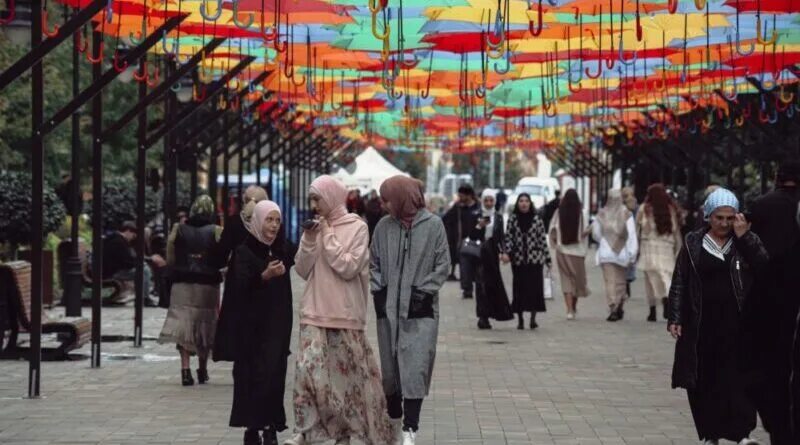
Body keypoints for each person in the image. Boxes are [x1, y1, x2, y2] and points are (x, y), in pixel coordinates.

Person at [286, 175, 393, 445]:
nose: (313, 205)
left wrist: (327, 235)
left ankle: (349, 431)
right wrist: (310, 239)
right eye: (311, 199)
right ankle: (308, 430)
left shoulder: (357, 227)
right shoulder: (317, 227)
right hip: (313, 309)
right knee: (308, 373)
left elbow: (348, 266)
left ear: (332, 197)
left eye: (317, 199)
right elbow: (301, 269)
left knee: (347, 381)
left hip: (344, 315)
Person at [668, 187, 768, 445]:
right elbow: (680, 280)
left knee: (737, 378)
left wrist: (745, 237)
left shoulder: (745, 240)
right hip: (701, 324)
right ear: (708, 216)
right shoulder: (693, 242)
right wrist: (676, 317)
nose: (724, 223)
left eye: (729, 217)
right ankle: (710, 432)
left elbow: (764, 268)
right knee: (703, 379)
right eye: (718, 217)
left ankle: (741, 434)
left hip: (738, 323)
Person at [370, 175, 450, 445]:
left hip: (421, 309)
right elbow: (374, 263)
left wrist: (422, 291)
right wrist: (379, 290)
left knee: (415, 367)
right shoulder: (383, 227)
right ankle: (394, 416)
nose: (383, 205)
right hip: (389, 309)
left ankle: (410, 429)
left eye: (387, 199)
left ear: (402, 197)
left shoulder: (434, 226)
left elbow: (443, 265)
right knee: (390, 368)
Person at [214, 200, 294, 445]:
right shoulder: (244, 251)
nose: (273, 225)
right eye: (269, 220)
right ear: (258, 221)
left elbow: (304, 259)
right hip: (250, 329)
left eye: (277, 220)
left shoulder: (282, 249)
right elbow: (238, 289)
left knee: (274, 375)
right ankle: (252, 427)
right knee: (252, 376)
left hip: (277, 326)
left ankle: (270, 426)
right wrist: (264, 276)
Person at [747, 161, 800, 445]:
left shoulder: (762, 205)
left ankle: (778, 427)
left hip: (766, 298)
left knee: (767, 367)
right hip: (790, 300)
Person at [158, 195, 223, 386]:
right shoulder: (217, 231)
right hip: (208, 285)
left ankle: (185, 370)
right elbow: (222, 258)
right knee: (204, 325)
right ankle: (202, 369)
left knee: (184, 327)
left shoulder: (178, 229)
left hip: (182, 283)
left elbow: (170, 258)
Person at [501, 193, 551, 330]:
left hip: (535, 260)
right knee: (519, 289)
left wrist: (548, 259)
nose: (524, 203)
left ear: (530, 203)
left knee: (535, 289)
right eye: (521, 201)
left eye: (526, 201)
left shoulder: (537, 220)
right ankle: (520, 320)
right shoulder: (512, 219)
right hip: (518, 261)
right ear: (517, 204)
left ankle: (533, 319)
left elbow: (542, 241)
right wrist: (507, 253)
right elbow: (508, 238)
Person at [636, 184, 683, 322]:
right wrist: (678, 249)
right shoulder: (671, 209)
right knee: (666, 275)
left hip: (649, 246)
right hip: (667, 247)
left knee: (649, 280)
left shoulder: (644, 209)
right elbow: (676, 231)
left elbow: (638, 228)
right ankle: (666, 299)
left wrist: (636, 249)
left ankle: (652, 311)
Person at [592, 189, 638, 322]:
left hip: (606, 253)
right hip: (622, 253)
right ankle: (618, 305)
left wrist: (603, 240)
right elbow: (631, 235)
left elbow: (596, 233)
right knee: (620, 282)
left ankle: (613, 306)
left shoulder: (602, 213)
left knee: (610, 282)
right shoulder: (627, 214)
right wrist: (632, 253)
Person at [548, 189, 591, 320]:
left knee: (566, 280)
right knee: (577, 281)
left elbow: (552, 229)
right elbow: (584, 233)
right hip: (578, 253)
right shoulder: (583, 213)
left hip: (562, 252)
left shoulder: (558, 212)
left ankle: (569, 310)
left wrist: (555, 242)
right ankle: (573, 306)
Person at [473, 189, 513, 329]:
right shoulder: (476, 214)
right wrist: (479, 226)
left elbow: (501, 237)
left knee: (492, 284)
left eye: (491, 200)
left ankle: (490, 314)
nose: (489, 203)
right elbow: (471, 234)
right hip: (479, 253)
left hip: (492, 253)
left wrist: (504, 252)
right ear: (482, 201)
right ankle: (482, 317)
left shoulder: (498, 217)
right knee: (481, 285)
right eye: (486, 200)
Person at [102, 221, 165, 305]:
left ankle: (143, 297)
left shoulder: (116, 239)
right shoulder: (118, 242)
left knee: (143, 268)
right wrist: (141, 263)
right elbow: (126, 262)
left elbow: (127, 260)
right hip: (111, 272)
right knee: (144, 271)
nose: (133, 238)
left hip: (110, 270)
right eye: (133, 235)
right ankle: (144, 298)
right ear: (128, 231)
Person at [210, 185, 269, 266]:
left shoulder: (233, 222)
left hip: (237, 270)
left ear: (244, 200)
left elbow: (223, 250)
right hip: (264, 270)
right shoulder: (271, 224)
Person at [442, 185, 481, 293]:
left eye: (461, 196)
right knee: (464, 267)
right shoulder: (458, 207)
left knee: (477, 268)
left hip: (477, 242)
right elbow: (445, 218)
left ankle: (476, 286)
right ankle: (467, 289)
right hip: (461, 243)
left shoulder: (478, 207)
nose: (459, 198)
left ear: (469, 195)